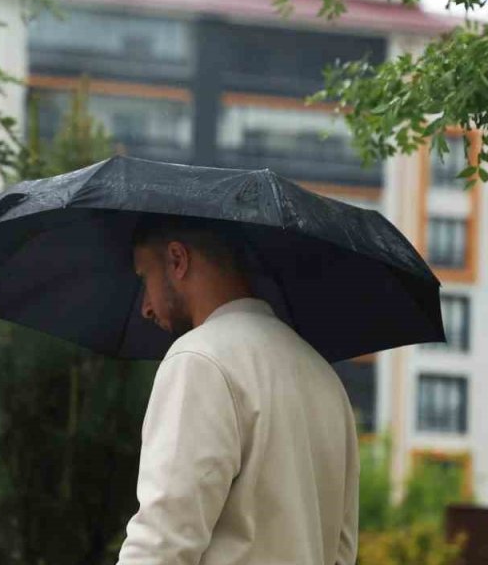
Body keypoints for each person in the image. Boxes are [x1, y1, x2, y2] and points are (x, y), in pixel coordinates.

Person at [117, 214, 358, 565]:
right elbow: (342, 553)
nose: (146, 307)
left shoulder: (199, 360)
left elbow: (161, 543)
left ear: (177, 259)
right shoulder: (325, 379)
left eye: (145, 278)